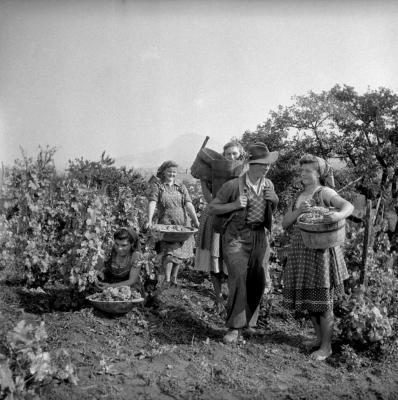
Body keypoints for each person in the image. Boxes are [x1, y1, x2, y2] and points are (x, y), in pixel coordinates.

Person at [282, 154, 354, 361]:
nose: (303, 174)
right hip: (300, 252)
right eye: (302, 170)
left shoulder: (325, 192)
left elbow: (347, 206)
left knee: (323, 302)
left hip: (320, 253)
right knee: (309, 300)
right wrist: (298, 211)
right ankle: (319, 339)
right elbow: (285, 223)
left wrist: (338, 215)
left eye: (308, 171)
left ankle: (327, 346)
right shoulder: (298, 196)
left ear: (319, 174)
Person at [208, 142, 279, 343]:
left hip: (260, 237)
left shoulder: (268, 185)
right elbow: (213, 207)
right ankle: (234, 327)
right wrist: (234, 204)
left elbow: (271, 206)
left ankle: (249, 323)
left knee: (258, 279)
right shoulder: (232, 185)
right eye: (262, 164)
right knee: (238, 276)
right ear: (250, 164)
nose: (266, 168)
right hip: (236, 236)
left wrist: (274, 200)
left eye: (268, 165)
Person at [195, 140, 244, 314]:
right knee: (214, 262)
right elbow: (209, 201)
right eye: (228, 154)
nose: (231, 157)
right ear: (222, 155)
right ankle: (218, 298)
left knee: (232, 261)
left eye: (234, 154)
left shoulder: (244, 173)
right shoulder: (213, 172)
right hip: (214, 218)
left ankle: (232, 300)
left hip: (235, 220)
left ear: (241, 155)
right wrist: (202, 180)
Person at [146, 160, 200, 287]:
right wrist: (149, 220)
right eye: (169, 171)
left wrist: (196, 221)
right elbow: (152, 203)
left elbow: (188, 203)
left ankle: (174, 279)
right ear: (164, 172)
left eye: (174, 172)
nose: (172, 174)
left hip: (182, 224)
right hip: (166, 224)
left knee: (179, 254)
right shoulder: (158, 186)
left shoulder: (181, 186)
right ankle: (167, 280)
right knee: (169, 253)